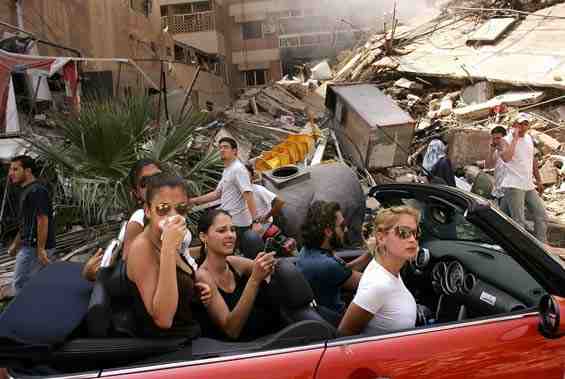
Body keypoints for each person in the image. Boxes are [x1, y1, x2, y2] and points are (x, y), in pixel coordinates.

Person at [126, 173, 211, 337]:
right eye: (163, 209)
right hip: (173, 343)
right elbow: (163, 319)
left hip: (193, 325)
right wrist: (169, 248)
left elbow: (170, 278)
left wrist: (192, 290)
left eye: (180, 209)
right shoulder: (142, 248)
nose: (173, 216)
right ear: (148, 210)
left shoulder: (166, 238)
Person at [196, 209, 280, 341]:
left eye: (233, 230)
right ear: (203, 237)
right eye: (222, 231)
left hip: (272, 337)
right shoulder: (203, 276)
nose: (230, 235)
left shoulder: (234, 262)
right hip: (242, 351)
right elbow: (231, 330)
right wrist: (254, 280)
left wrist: (268, 264)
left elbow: (269, 271)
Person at [338, 206, 419, 337]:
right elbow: (344, 336)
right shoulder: (379, 285)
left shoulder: (387, 268)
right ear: (381, 238)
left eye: (415, 233)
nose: (412, 240)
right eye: (403, 232)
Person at [295, 201, 362, 325]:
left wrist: (370, 254)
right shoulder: (326, 265)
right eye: (342, 226)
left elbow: (345, 271)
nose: (346, 229)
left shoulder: (309, 251)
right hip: (341, 322)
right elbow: (366, 283)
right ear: (328, 231)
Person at [190, 137, 259, 244]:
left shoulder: (238, 169)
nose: (222, 150)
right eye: (220, 147)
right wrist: (193, 201)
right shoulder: (228, 170)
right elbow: (217, 194)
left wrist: (256, 221)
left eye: (225, 147)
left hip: (237, 224)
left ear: (234, 151)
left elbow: (248, 194)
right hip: (229, 221)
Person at [8, 155, 56, 295]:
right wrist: (15, 245)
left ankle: (23, 314)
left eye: (15, 169)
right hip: (30, 246)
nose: (11, 173)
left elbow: (42, 219)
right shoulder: (26, 190)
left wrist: (41, 249)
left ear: (28, 171)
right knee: (33, 285)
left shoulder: (37, 191)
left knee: (20, 284)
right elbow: (26, 223)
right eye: (11, 169)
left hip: (34, 248)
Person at [500, 113, 547, 242]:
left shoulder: (529, 139)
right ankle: (521, 251)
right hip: (514, 185)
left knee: (541, 215)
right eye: (520, 123)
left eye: (525, 124)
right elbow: (506, 158)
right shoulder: (506, 140)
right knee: (518, 221)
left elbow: (532, 160)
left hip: (528, 184)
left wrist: (538, 180)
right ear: (514, 125)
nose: (523, 126)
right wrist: (515, 138)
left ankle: (542, 247)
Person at [122, 159, 163, 260]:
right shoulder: (139, 219)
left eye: (158, 177)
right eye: (145, 181)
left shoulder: (168, 211)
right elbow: (128, 262)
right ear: (137, 193)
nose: (154, 184)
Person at [244, 163, 284, 236]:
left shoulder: (258, 190)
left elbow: (280, 202)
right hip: (251, 227)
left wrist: (266, 217)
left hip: (264, 228)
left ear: (252, 177)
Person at [486, 125, 508, 210]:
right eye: (494, 139)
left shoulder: (511, 151)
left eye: (498, 138)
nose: (495, 141)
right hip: (497, 190)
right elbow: (487, 166)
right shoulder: (496, 152)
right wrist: (491, 151)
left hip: (508, 191)